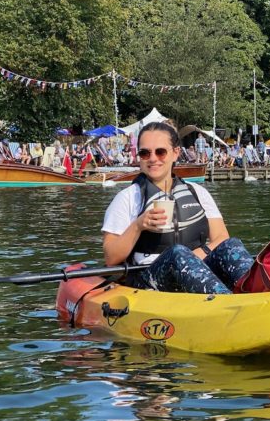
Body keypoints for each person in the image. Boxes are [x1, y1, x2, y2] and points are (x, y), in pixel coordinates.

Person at [102, 122, 253, 294]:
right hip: (148, 281)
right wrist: (138, 225)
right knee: (177, 254)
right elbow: (111, 258)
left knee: (232, 245)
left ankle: (261, 293)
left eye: (160, 152)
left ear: (175, 153)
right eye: (145, 153)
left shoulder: (198, 193)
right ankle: (228, 304)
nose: (152, 159)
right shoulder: (127, 198)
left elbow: (221, 237)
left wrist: (199, 253)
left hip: (198, 271)